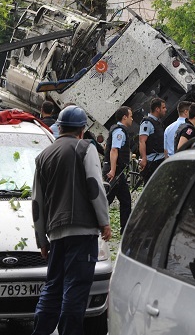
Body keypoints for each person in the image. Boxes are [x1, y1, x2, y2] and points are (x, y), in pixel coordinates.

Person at [31, 105, 112, 335]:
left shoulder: (43, 156)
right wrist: (104, 221)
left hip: (56, 235)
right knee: (75, 291)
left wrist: (42, 240)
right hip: (82, 232)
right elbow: (95, 187)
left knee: (53, 288)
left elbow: (37, 203)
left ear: (60, 127)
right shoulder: (85, 148)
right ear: (82, 130)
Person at [103, 105, 133, 234]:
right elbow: (114, 150)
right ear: (124, 117)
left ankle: (125, 229)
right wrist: (113, 171)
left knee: (125, 200)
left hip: (118, 172)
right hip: (114, 171)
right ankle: (96, 224)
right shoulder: (119, 131)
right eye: (131, 116)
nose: (132, 119)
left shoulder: (119, 130)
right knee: (106, 199)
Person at [139, 97, 167, 184]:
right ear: (157, 109)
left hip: (160, 159)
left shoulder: (158, 122)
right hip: (153, 162)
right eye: (163, 107)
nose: (165, 109)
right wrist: (144, 159)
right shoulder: (147, 123)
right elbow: (142, 141)